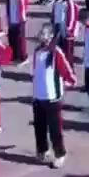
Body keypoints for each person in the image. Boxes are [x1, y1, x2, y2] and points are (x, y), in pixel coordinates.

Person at [30, 24, 75, 168]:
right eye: (40, 33)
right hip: (38, 95)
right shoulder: (37, 51)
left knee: (55, 128)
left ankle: (60, 153)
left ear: (50, 36)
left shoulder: (55, 52)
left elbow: (66, 71)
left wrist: (67, 84)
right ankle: (42, 149)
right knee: (39, 126)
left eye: (44, 33)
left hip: (52, 97)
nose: (41, 36)